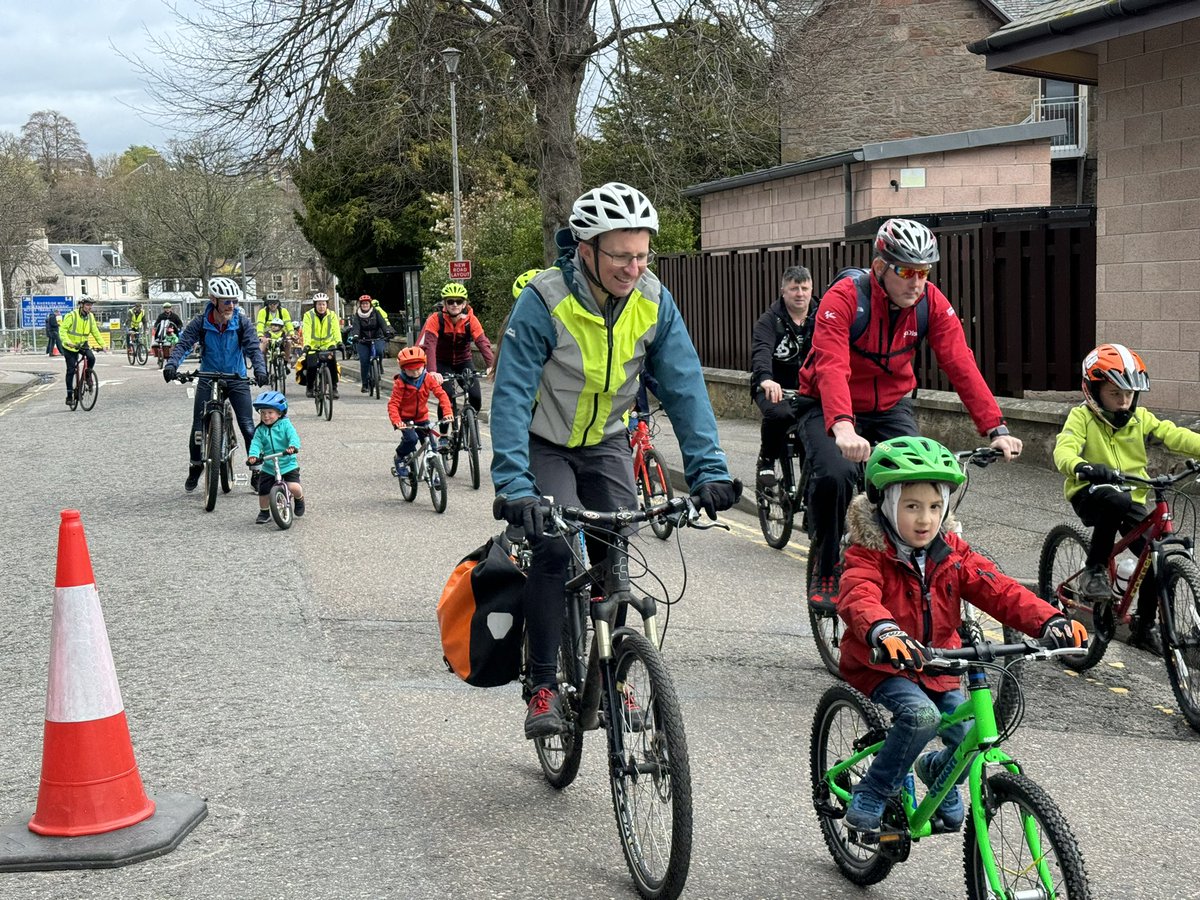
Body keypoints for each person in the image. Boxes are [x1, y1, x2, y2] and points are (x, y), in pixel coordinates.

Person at [491, 182, 740, 739]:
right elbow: (509, 396)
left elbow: (685, 386)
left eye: (642, 255)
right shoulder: (544, 299)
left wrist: (709, 470)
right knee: (554, 548)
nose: (634, 268)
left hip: (606, 440)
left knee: (616, 548)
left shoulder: (653, 299)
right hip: (545, 441)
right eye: (622, 256)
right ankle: (543, 685)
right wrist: (514, 484)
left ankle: (611, 670)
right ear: (587, 249)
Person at [838, 436, 1086, 834]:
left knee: (975, 739)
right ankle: (875, 788)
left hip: (940, 664)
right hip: (883, 664)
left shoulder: (951, 552)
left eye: (935, 507)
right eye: (912, 506)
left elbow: (999, 588)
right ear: (886, 505)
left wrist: (1049, 620)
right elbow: (858, 595)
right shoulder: (868, 552)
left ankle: (935, 767)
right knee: (921, 717)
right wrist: (884, 631)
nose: (925, 519)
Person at [799, 218, 1023, 610]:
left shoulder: (930, 302)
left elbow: (960, 362)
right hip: (828, 405)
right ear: (881, 267)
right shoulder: (845, 298)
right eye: (907, 271)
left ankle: (913, 563)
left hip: (890, 407)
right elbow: (831, 366)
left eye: (923, 272)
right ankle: (827, 563)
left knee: (919, 477)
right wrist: (843, 427)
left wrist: (995, 427)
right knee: (836, 474)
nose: (916, 282)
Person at [1053, 343, 1200, 653]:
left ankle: (1144, 627)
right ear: (1093, 391)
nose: (1123, 402)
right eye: (1114, 394)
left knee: (1154, 552)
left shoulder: (1140, 418)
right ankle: (1094, 570)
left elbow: (1173, 434)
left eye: (1129, 395)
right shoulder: (1082, 418)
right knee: (1115, 501)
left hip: (1130, 494)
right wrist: (1083, 466)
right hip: (1089, 491)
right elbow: (1064, 448)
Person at [163, 277, 268, 492]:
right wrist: (172, 364)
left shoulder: (242, 322)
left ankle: (257, 470)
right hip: (208, 376)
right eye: (226, 301)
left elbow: (253, 349)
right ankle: (195, 466)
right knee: (197, 428)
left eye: (234, 301)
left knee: (248, 426)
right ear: (214, 300)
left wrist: (260, 370)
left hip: (236, 377)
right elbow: (184, 344)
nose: (231, 306)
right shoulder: (201, 322)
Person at [751, 265, 815, 490]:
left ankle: (812, 502)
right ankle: (767, 460)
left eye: (804, 288)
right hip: (774, 387)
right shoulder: (769, 320)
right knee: (779, 413)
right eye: (794, 288)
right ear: (783, 291)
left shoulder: (821, 317)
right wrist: (766, 378)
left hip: (809, 390)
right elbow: (762, 351)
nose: (800, 293)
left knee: (818, 431)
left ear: (811, 289)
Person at [418, 283, 495, 421]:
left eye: (459, 301)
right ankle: (443, 434)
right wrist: (432, 371)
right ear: (445, 304)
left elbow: (482, 342)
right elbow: (430, 345)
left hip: (463, 361)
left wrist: (491, 365)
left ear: (464, 304)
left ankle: (469, 422)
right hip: (442, 362)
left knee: (475, 396)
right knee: (445, 396)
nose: (455, 304)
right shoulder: (435, 319)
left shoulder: (471, 320)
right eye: (450, 301)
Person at [388, 347, 452, 477]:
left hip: (422, 418)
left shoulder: (428, 378)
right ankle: (399, 457)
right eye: (411, 370)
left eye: (418, 368)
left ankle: (434, 475)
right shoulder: (400, 383)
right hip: (405, 420)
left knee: (432, 446)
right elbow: (393, 404)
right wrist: (397, 421)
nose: (416, 372)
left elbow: (441, 394)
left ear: (424, 365)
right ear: (403, 369)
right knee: (411, 439)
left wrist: (447, 412)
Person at [245, 390, 305, 523]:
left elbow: (293, 436)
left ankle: (299, 498)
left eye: (270, 413)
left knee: (293, 487)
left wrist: (292, 447)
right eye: (263, 413)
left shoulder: (285, 425)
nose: (266, 416)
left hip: (288, 463)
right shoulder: (260, 430)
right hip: (269, 465)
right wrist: (253, 456)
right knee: (263, 490)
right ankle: (264, 512)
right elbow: (255, 443)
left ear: (280, 413)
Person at [60, 297, 105, 405]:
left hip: (82, 343)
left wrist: (103, 345)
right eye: (87, 305)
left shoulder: (90, 317)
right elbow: (62, 331)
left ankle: (88, 375)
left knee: (91, 358)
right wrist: (67, 341)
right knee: (71, 370)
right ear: (81, 305)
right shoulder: (72, 315)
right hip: (70, 345)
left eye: (91, 305)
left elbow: (95, 331)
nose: (89, 307)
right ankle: (69, 396)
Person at [347, 293, 394, 392]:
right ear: (360, 305)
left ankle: (378, 365)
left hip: (377, 337)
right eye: (363, 304)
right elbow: (356, 327)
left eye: (367, 304)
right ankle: (365, 384)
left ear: (370, 305)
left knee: (379, 351)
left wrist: (387, 332)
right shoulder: (357, 316)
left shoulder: (376, 312)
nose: (365, 305)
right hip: (362, 340)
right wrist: (355, 336)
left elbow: (383, 324)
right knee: (364, 361)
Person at [299, 293, 342, 399]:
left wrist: (339, 342)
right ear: (315, 305)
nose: (321, 307)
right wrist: (307, 345)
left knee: (332, 364)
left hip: (328, 345)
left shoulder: (332, 315)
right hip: (313, 347)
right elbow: (307, 331)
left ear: (327, 305)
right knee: (312, 366)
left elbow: (336, 330)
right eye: (319, 304)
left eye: (323, 304)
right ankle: (309, 388)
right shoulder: (308, 315)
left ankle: (334, 388)